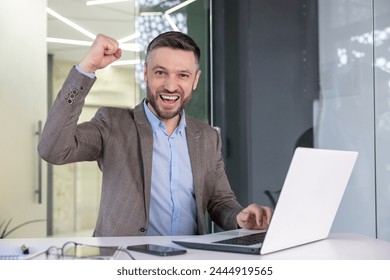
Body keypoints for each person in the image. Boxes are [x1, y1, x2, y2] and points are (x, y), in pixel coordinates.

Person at [38, 32, 272, 237]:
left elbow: (220, 202)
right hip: (126, 264)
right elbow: (53, 149)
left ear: (195, 80)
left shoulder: (208, 137)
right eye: (161, 73)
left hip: (189, 262)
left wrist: (240, 217)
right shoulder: (113, 124)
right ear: (146, 73)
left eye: (183, 75)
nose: (171, 86)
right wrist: (86, 68)